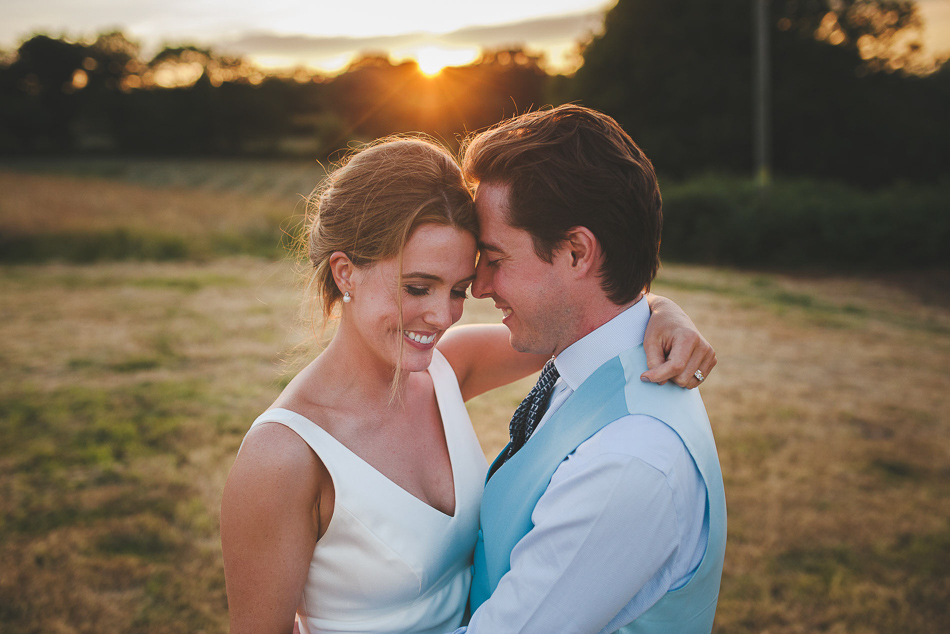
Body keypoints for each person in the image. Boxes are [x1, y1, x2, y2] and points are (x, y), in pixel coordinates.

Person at [219, 136, 715, 634]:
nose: (443, 315)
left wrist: (663, 311)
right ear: (346, 272)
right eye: (417, 287)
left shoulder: (444, 368)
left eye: (457, 289)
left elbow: (585, 320)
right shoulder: (283, 457)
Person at [457, 105, 727, 633]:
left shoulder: (629, 459)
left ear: (577, 252)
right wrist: (659, 305)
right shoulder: (589, 358)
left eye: (496, 258)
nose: (480, 286)